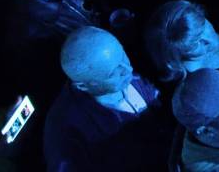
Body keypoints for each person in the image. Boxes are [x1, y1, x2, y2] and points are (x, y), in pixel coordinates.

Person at [43, 27, 171, 172]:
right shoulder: (65, 134)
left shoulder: (124, 63)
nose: (128, 69)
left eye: (122, 55)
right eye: (112, 74)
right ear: (83, 86)